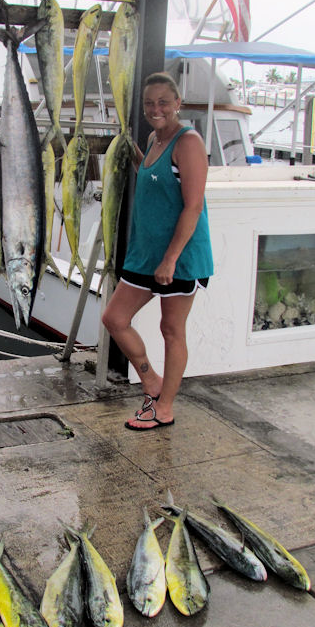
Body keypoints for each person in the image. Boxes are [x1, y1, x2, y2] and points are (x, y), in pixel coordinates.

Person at [102, 72, 213, 430]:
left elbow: (193, 207)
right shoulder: (153, 138)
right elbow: (151, 175)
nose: (155, 109)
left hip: (177, 258)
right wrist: (130, 149)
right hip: (145, 254)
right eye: (149, 103)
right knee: (114, 319)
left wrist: (171, 258)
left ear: (178, 103)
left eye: (164, 102)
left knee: (171, 329)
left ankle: (164, 407)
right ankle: (151, 381)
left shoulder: (188, 142)